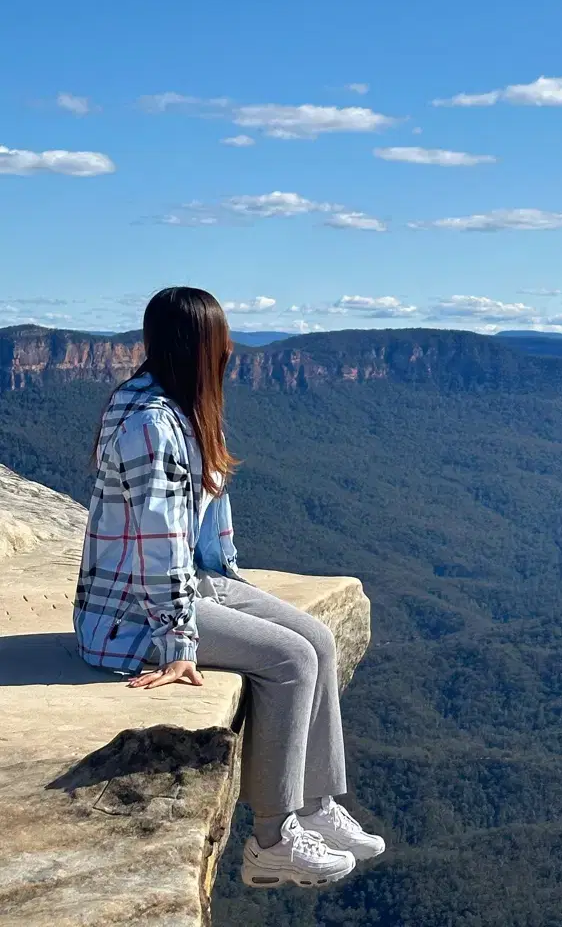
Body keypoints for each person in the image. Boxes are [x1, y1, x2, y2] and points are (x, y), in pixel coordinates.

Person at [73, 286, 384, 889]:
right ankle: (272, 841)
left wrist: (235, 590)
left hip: (194, 581)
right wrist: (178, 643)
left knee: (317, 636)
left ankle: (316, 807)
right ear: (199, 346)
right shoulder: (149, 426)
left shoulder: (179, 406)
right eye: (221, 339)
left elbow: (206, 524)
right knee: (290, 659)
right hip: (134, 613)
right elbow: (157, 545)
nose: (231, 349)